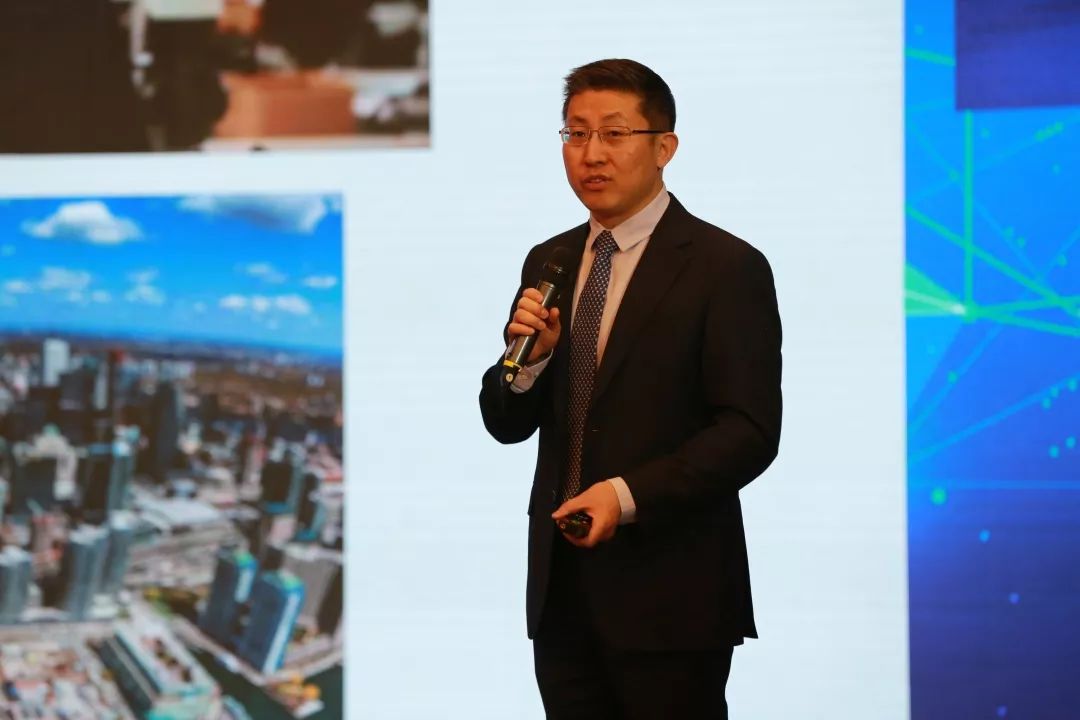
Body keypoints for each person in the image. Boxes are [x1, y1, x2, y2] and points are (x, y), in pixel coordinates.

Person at [479, 58, 782, 719]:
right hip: (562, 594)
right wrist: (529, 362)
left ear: (664, 147)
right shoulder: (551, 260)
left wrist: (624, 496)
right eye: (576, 133)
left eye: (614, 134)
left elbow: (749, 431)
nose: (591, 154)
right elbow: (504, 420)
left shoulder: (725, 267)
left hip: (672, 594)